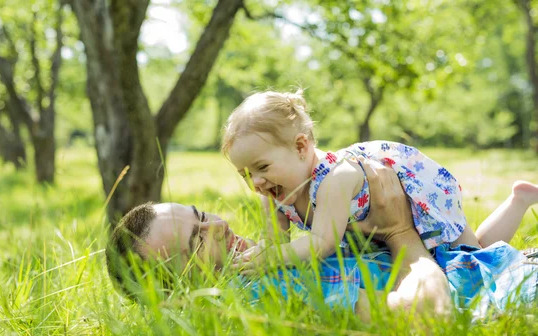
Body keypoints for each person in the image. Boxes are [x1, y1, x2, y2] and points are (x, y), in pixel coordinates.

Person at [106, 159, 537, 320]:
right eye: (197, 242)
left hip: (486, 266)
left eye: (201, 216)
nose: (217, 227)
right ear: (181, 295)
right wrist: (400, 231)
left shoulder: (264, 264)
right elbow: (425, 315)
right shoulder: (273, 302)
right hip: (495, 288)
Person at [221, 90, 538, 276]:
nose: (257, 182)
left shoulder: (334, 180)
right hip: (377, 229)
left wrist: (275, 256)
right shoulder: (273, 193)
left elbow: (322, 242)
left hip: (412, 193)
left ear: (301, 147)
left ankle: (519, 200)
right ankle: (519, 201)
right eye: (245, 175)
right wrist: (263, 254)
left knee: (471, 256)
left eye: (262, 167)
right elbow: (275, 243)